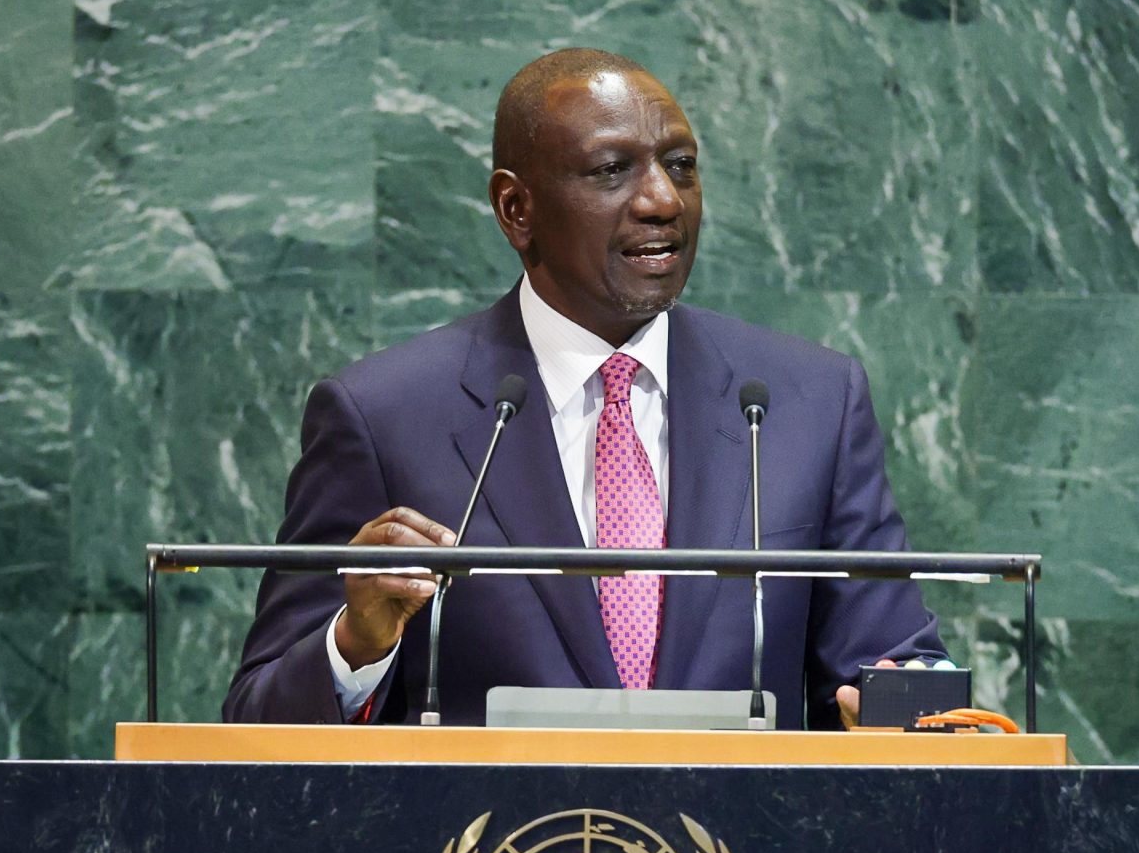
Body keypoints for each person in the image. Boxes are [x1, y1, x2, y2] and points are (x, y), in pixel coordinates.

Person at [222, 48, 943, 728]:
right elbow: (256, 719)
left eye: (681, 166)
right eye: (611, 170)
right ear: (517, 209)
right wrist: (357, 643)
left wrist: (902, 713)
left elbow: (891, 664)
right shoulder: (384, 417)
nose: (662, 199)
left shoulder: (807, 403)